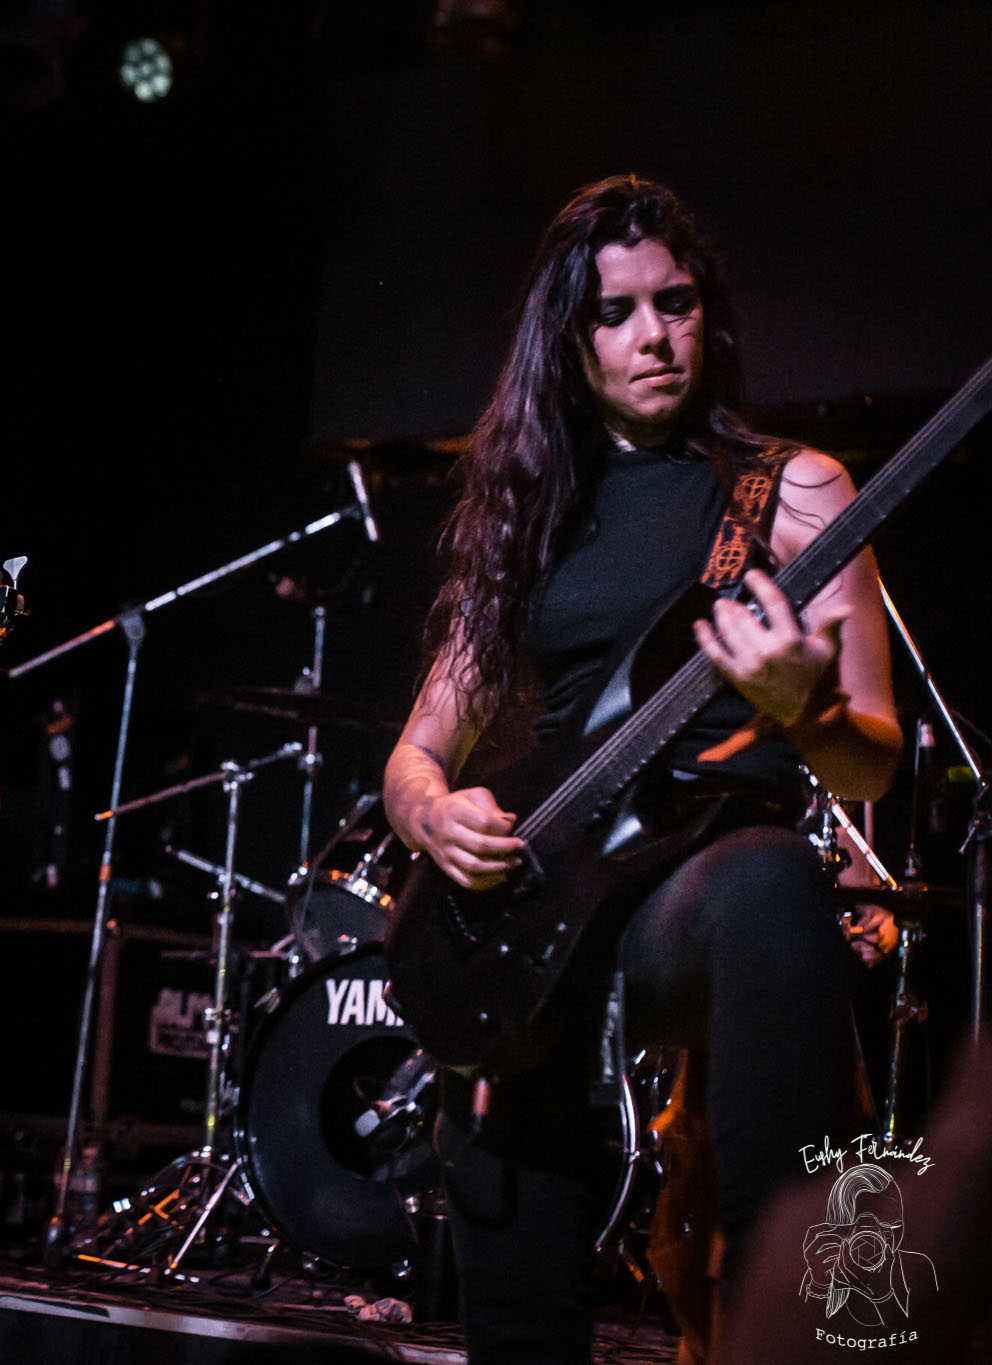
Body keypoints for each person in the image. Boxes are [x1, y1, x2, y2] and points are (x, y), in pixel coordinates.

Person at [381, 176, 900, 1363]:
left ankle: (788, 1315)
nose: (652, 336)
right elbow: (416, 751)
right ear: (569, 341)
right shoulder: (526, 514)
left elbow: (870, 763)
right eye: (613, 313)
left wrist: (806, 707)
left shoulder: (791, 490)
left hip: (696, 889)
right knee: (516, 1293)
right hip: (541, 897)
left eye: (674, 303)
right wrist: (431, 816)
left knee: (768, 882)